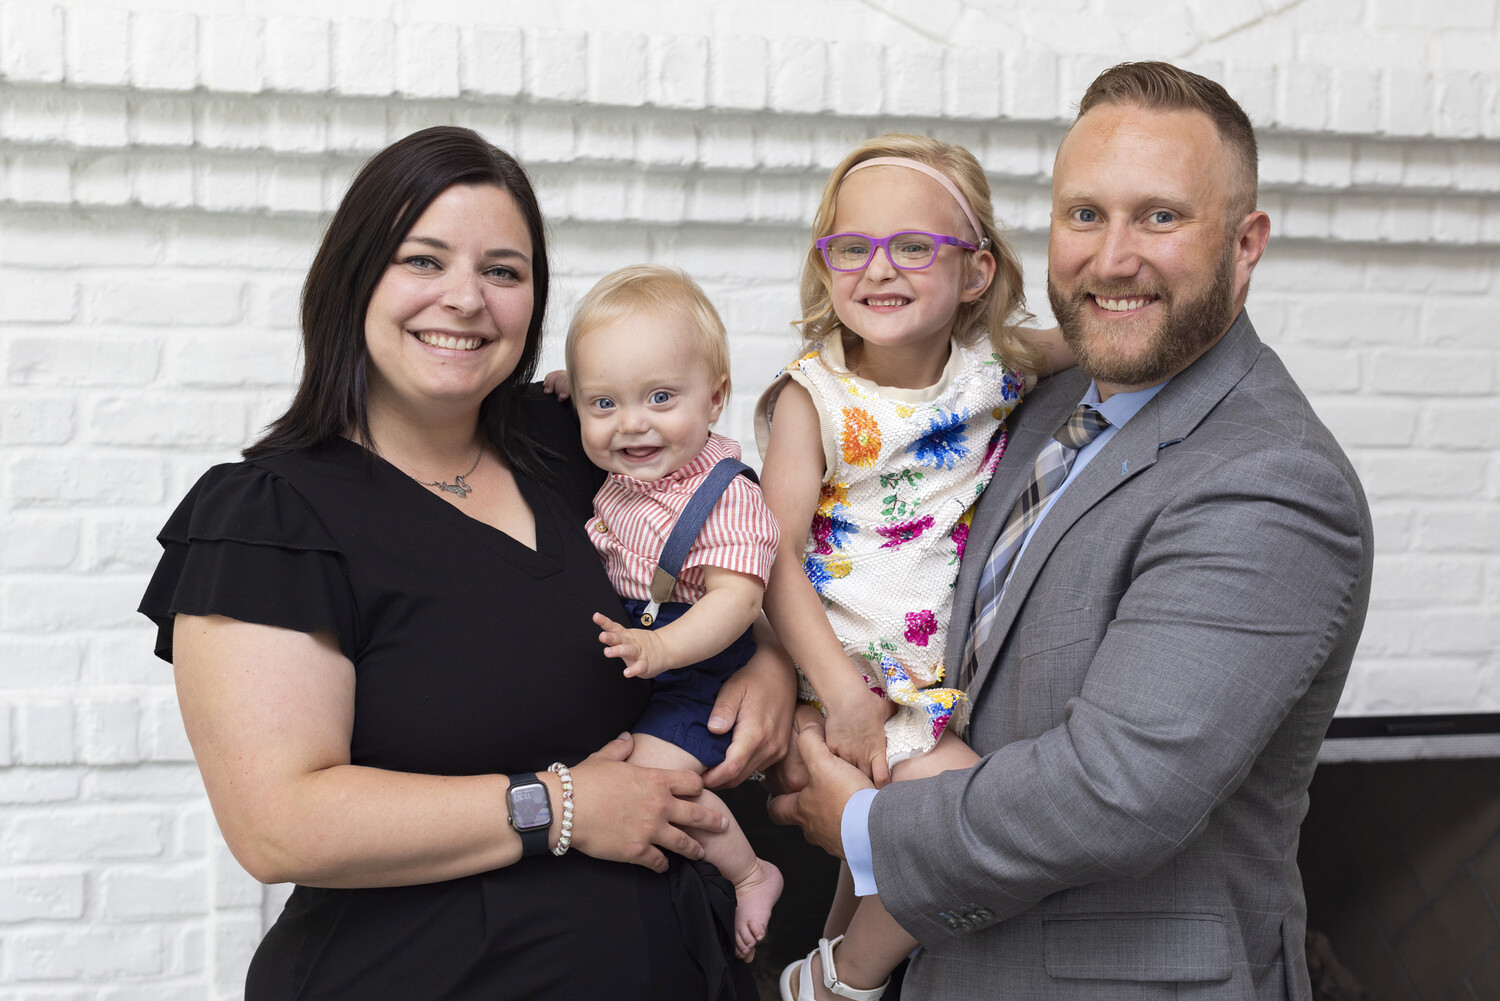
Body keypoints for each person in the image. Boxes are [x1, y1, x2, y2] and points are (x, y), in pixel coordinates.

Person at [138, 126, 791, 1000]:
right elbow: (279, 825)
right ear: (355, 277)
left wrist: (771, 661)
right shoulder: (271, 516)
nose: (466, 299)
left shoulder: (583, 448)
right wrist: (561, 806)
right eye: (424, 260)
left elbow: (735, 531)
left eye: (503, 271)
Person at [768, 61, 1374, 1000]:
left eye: (1160, 217)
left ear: (1245, 244)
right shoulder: (1039, 404)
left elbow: (1116, 791)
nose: (1112, 257)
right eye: (1084, 215)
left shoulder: (1271, 481)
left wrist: (862, 826)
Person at [752, 134, 1070, 1000]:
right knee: (967, 823)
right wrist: (840, 695)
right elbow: (770, 552)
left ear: (975, 272)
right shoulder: (811, 397)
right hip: (845, 679)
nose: (879, 268)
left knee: (876, 866)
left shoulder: (995, 369)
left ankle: (818, 973)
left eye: (915, 246)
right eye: (852, 247)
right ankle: (846, 980)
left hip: (923, 680)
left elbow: (1097, 331)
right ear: (826, 268)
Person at [562, 263, 785, 961]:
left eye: (660, 396)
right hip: (646, 649)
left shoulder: (724, 494)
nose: (632, 423)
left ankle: (751, 871)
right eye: (604, 404)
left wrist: (661, 652)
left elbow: (737, 599)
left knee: (657, 786)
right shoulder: (632, 472)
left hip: (701, 668)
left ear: (715, 396)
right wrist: (567, 389)